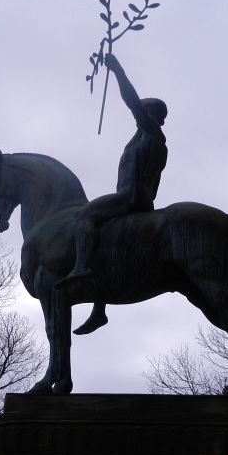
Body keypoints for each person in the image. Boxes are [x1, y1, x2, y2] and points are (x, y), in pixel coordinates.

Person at [58, 53, 168, 334]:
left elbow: (131, 100)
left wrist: (117, 69)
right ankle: (99, 308)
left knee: (85, 216)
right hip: (135, 197)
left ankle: (81, 269)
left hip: (132, 198)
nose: (139, 110)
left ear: (152, 113)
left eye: (144, 108)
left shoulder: (151, 130)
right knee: (103, 234)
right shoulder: (147, 137)